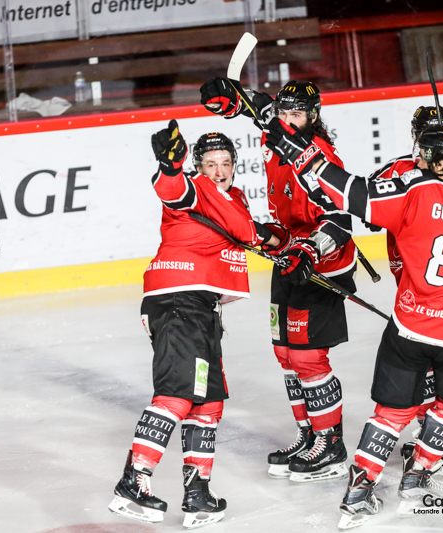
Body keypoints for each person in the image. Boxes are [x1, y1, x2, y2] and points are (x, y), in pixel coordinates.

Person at [263, 119, 443, 529]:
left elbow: (348, 191)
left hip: (412, 328)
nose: (419, 160)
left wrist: (300, 153)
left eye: (427, 155)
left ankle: (360, 492)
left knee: (391, 413)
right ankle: (419, 476)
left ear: (442, 162)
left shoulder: (417, 193)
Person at [109, 121, 284, 528]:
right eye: (210, 164)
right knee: (176, 396)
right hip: (177, 301)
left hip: (203, 308)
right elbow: (172, 189)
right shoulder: (193, 189)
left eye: (225, 163)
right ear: (198, 167)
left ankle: (197, 494)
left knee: (208, 403)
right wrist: (170, 166)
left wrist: (282, 244)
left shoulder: (233, 198)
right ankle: (133, 482)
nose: (218, 171)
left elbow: (250, 232)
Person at [200, 78, 357, 483]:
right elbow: (257, 107)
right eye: (283, 112)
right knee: (285, 353)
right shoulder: (279, 130)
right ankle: (309, 435)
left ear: (313, 116)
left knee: (307, 357)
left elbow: (340, 221)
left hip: (320, 266)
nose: (287, 119)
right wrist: (231, 95)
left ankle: (331, 445)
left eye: (296, 114)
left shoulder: (319, 158)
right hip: (288, 258)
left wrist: (310, 250)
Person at [371, 105, 443, 479]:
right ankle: (434, 433)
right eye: (423, 135)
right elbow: (370, 205)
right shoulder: (396, 170)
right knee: (423, 362)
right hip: (411, 283)